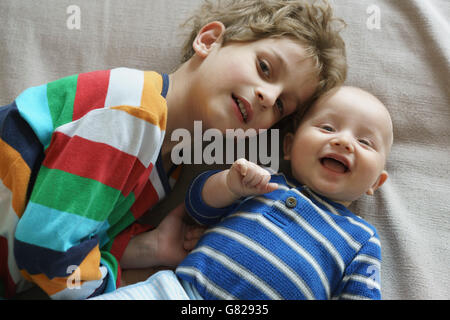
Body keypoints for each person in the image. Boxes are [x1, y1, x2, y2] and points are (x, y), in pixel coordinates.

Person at [0, 0, 346, 299]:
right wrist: (116, 290)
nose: (268, 97)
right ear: (209, 41)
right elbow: (45, 249)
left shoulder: (166, 167)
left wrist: (150, 247)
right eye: (264, 68)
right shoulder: (134, 110)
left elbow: (77, 236)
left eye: (281, 106)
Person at [176, 86, 392, 300]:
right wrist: (229, 185)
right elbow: (196, 206)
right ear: (289, 146)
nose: (344, 142)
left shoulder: (361, 238)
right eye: (327, 128)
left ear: (376, 181)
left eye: (364, 142)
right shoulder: (260, 181)